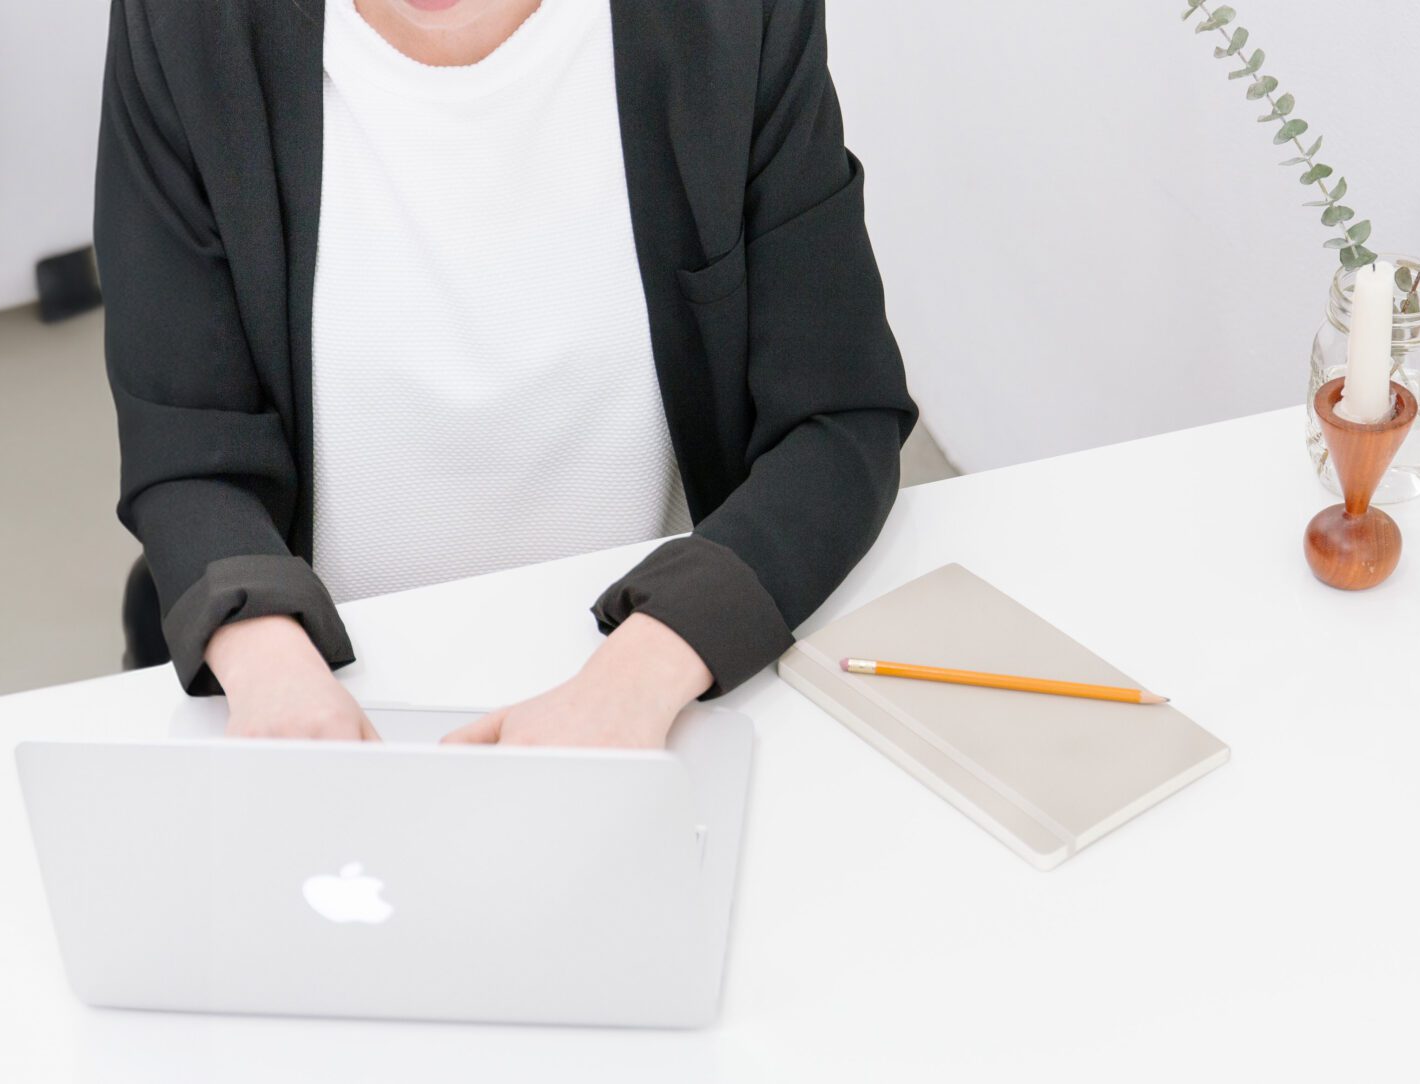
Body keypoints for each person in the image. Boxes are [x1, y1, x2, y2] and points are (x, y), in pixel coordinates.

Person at [99, 0, 912, 748]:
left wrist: (646, 672)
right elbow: (185, 444)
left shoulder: (727, 23)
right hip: (319, 677)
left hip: (649, 668)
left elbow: (838, 415)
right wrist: (269, 662)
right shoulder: (189, 24)